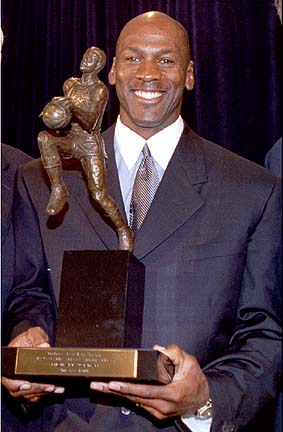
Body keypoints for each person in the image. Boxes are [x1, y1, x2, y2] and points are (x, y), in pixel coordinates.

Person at [2, 11, 281, 432]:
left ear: (189, 75)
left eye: (166, 60)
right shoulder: (39, 179)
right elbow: (29, 293)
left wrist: (205, 399)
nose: (148, 73)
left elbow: (264, 334)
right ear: (112, 72)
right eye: (133, 58)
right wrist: (30, 337)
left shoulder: (252, 190)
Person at [38, 46, 133, 251]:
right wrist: (56, 111)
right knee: (45, 139)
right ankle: (58, 188)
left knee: (98, 195)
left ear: (98, 65)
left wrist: (72, 106)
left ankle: (123, 230)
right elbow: (66, 119)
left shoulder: (99, 90)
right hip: (72, 138)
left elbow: (90, 122)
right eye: (85, 55)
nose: (85, 59)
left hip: (90, 144)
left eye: (91, 57)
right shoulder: (70, 84)